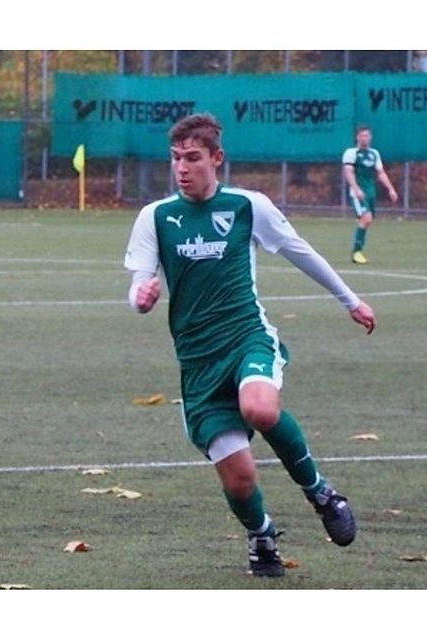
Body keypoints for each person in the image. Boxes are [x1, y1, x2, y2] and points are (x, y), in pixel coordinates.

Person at [124, 113, 375, 577]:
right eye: (176, 158)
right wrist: (142, 296)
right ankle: (261, 536)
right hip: (198, 364)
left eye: (193, 158)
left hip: (246, 337)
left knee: (259, 407)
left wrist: (350, 300)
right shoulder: (155, 217)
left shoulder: (247, 206)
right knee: (240, 479)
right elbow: (139, 287)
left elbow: (300, 250)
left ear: (216, 159)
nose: (182, 167)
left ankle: (321, 493)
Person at [342, 125, 398, 265]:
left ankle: (359, 250)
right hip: (358, 193)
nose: (364, 138)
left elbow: (380, 173)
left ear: (370, 137)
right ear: (357, 137)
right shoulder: (351, 153)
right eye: (362, 136)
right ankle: (357, 252)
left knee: (368, 220)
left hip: (370, 192)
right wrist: (356, 189)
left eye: (366, 135)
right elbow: (349, 172)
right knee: (366, 218)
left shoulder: (374, 153)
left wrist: (391, 189)